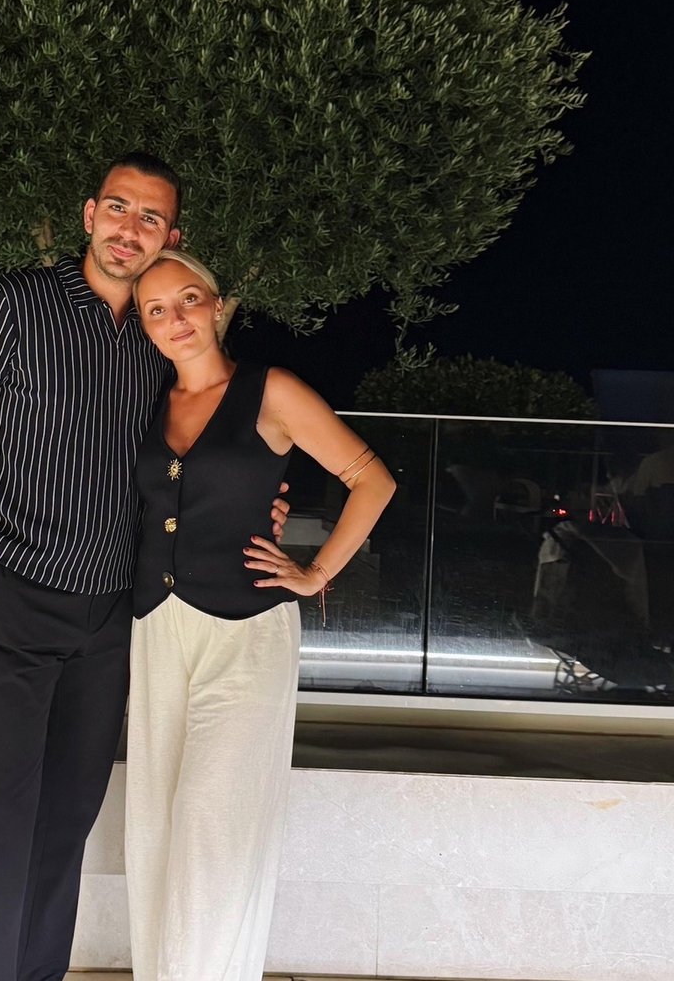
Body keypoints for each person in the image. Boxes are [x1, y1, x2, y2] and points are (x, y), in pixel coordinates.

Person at [0, 153, 289, 981]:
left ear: (171, 236)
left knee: (67, 824)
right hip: (19, 594)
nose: (130, 228)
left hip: (115, 615)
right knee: (2, 822)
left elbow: (206, 449)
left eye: (150, 217)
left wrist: (259, 503)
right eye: (118, 208)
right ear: (90, 215)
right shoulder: (15, 305)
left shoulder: (161, 337)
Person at [125, 249, 395, 981]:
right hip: (156, 628)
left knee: (213, 823)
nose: (176, 319)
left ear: (217, 306)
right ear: (145, 326)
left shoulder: (270, 389)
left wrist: (316, 573)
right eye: (156, 309)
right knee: (153, 823)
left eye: (188, 299)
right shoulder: (147, 401)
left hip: (246, 634)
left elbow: (371, 479)